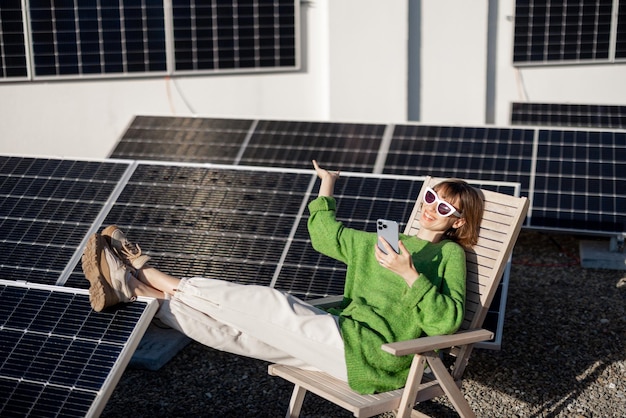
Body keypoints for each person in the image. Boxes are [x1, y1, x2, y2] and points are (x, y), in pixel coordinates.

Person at [82, 160, 484, 394]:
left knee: (274, 305)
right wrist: (327, 184)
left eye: (445, 208)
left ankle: (149, 271)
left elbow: (444, 321)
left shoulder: (449, 255)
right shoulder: (388, 240)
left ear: (458, 221)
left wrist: (410, 274)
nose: (432, 208)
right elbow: (329, 237)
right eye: (431, 197)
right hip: (343, 338)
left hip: (376, 355)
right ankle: (135, 291)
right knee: (235, 334)